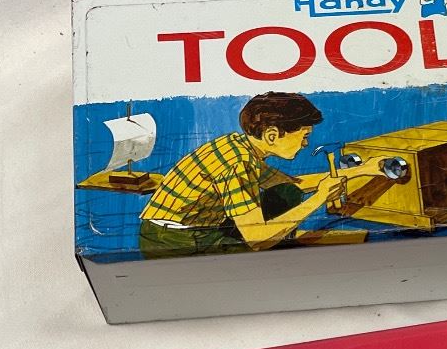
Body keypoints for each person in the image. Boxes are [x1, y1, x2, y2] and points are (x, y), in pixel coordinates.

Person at [139, 92, 345, 258]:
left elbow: (292, 183)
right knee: (266, 251)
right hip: (175, 241)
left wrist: (357, 172)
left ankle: (278, 241)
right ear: (271, 135)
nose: (306, 144)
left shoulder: (238, 144)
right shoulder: (239, 163)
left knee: (287, 192)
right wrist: (319, 198)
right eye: (304, 136)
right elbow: (256, 239)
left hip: (171, 230)